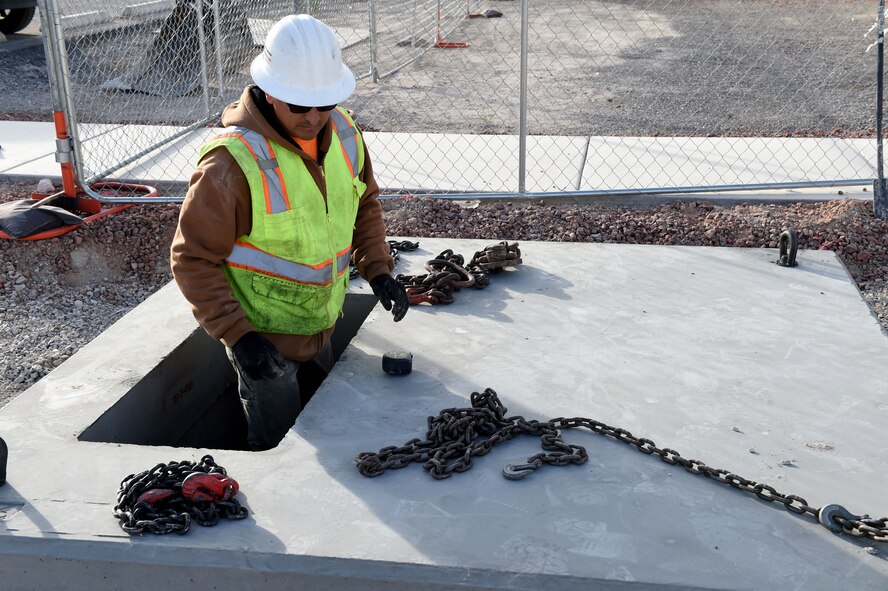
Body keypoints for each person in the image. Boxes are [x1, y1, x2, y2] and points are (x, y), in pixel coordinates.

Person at [170, 14, 408, 451]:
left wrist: (377, 269)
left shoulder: (344, 133)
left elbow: (364, 203)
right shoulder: (231, 164)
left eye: (325, 103)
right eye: (300, 105)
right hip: (263, 341)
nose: (314, 117)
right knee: (278, 448)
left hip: (321, 323)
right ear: (269, 91)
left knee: (327, 429)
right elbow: (192, 258)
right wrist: (238, 337)